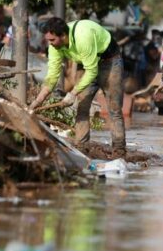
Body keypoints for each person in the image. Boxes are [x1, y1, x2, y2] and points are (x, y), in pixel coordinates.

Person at [28, 17, 126, 154]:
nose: (50, 44)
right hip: (85, 62)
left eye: (52, 40)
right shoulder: (54, 47)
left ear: (63, 35)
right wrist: (38, 101)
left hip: (109, 60)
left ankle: (119, 150)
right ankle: (82, 148)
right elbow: (52, 76)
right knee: (82, 107)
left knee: (114, 108)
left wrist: (72, 93)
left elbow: (92, 71)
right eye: (48, 40)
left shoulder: (83, 37)